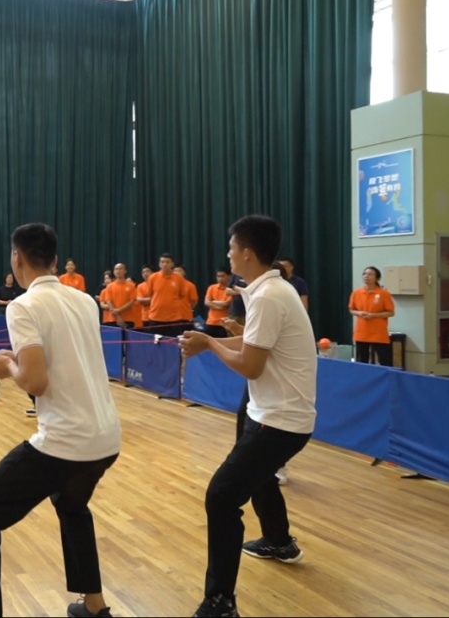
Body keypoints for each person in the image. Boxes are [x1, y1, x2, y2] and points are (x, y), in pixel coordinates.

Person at [0, 223, 120, 618]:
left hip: (66, 442)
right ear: (54, 259)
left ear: (16, 258)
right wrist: (18, 360)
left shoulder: (22, 306)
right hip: (106, 438)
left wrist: (9, 367)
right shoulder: (84, 300)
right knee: (71, 504)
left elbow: (35, 382)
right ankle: (94, 605)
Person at [178, 215, 316, 618]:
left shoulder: (270, 295)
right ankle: (278, 540)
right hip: (269, 413)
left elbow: (252, 366)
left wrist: (209, 344)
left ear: (248, 254)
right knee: (257, 476)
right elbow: (259, 344)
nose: (228, 255)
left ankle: (220, 602)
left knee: (221, 497)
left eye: (232, 248)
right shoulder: (272, 290)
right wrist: (222, 337)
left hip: (279, 420)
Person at [349, 266, 395, 366]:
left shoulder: (383, 294)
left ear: (376, 278)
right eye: (365, 274)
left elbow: (391, 312)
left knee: (384, 360)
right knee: (362, 360)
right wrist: (359, 313)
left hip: (378, 333)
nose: (366, 276)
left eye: (370, 274)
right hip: (362, 332)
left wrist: (373, 315)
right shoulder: (356, 293)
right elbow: (351, 309)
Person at [144, 254, 196, 338]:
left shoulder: (179, 278)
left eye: (167, 262)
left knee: (173, 342)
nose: (165, 264)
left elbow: (181, 295)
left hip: (173, 318)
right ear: (159, 264)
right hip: (155, 317)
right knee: (154, 343)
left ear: (172, 264)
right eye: (162, 262)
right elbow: (150, 294)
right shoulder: (153, 277)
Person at [104, 263, 139, 329]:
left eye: (120, 269)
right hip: (113, 319)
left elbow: (132, 301)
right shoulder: (109, 286)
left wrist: (118, 310)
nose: (118, 271)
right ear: (114, 272)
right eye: (116, 269)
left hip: (128, 319)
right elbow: (108, 301)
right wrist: (118, 316)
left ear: (125, 271)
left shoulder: (131, 286)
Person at [203, 268, 233, 338]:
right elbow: (207, 302)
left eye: (223, 276)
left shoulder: (231, 289)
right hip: (211, 322)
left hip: (224, 323)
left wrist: (213, 301)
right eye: (218, 276)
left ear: (229, 277)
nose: (220, 278)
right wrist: (219, 306)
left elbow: (226, 304)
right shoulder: (212, 287)